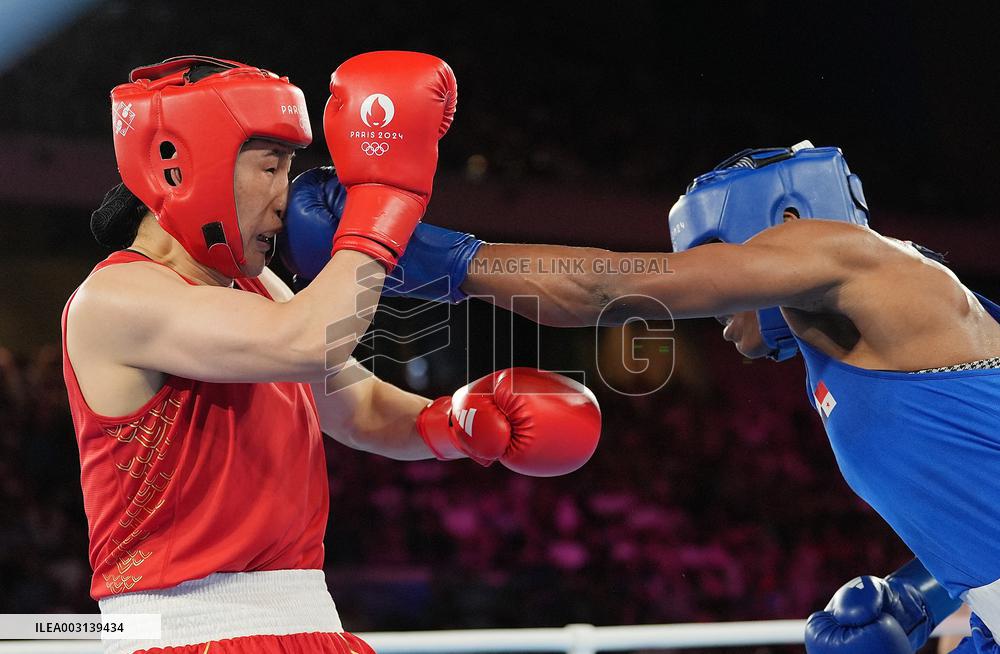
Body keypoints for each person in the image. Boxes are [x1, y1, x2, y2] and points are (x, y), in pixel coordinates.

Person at [282, 141, 1000, 653]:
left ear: (785, 225)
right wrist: (921, 594)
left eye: (717, 251)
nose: (711, 285)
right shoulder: (875, 334)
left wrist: (429, 255)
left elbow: (605, 290)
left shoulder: (861, 260)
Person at [64, 52, 601, 654]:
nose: (283, 197)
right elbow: (307, 342)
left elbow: (358, 404)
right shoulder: (115, 297)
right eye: (270, 166)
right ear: (182, 167)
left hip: (310, 625)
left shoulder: (260, 289)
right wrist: (384, 201)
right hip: (185, 634)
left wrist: (452, 422)